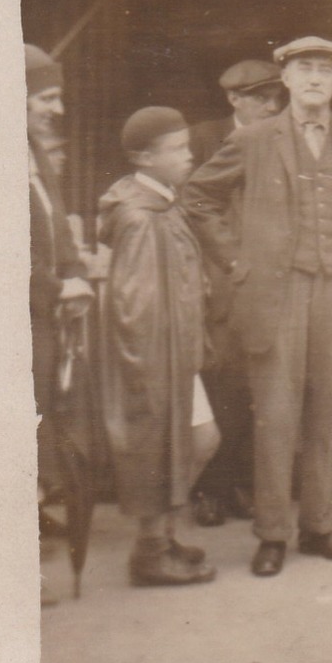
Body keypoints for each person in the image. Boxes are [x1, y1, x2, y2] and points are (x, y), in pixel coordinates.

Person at [183, 37, 332, 578]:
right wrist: (236, 259)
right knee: (277, 418)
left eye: (325, 71)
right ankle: (272, 534)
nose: (314, 79)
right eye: (304, 69)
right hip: (276, 296)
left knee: (328, 416)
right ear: (285, 80)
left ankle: (318, 528)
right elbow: (198, 196)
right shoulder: (255, 139)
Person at [98, 108, 220, 586]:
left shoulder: (163, 203)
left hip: (177, 351)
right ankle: (150, 552)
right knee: (170, 444)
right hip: (155, 358)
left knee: (200, 439)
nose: (189, 156)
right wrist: (153, 363)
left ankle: (161, 536)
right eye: (178, 150)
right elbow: (137, 303)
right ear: (143, 158)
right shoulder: (141, 218)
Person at [188, 58, 285, 528]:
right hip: (216, 286)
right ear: (234, 99)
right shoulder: (201, 139)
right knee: (218, 388)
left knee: (255, 390)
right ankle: (209, 490)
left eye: (275, 97)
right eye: (262, 97)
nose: (272, 105)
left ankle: (240, 484)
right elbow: (185, 208)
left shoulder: (283, 140)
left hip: (267, 286)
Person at [26, 46, 94, 565]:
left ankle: (31, 514)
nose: (57, 110)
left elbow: (57, 233)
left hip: (42, 321)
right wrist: (56, 288)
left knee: (42, 418)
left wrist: (72, 273)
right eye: (46, 97)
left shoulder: (32, 152)